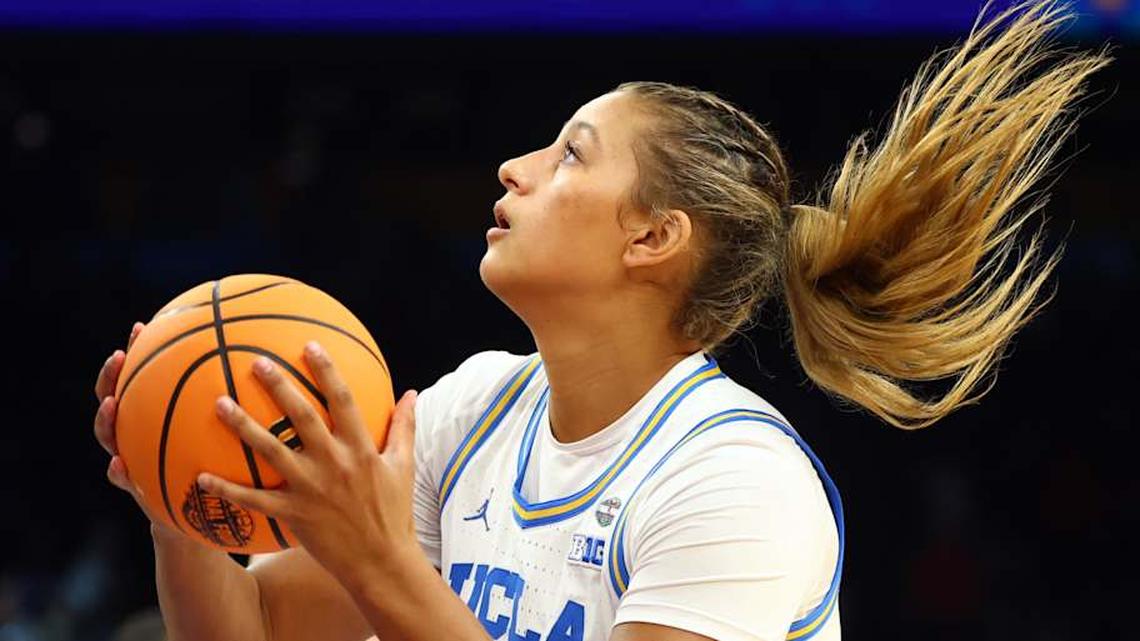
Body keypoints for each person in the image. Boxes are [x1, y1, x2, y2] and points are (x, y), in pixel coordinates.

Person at [90, 3, 1109, 640]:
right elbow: (260, 627)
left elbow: (374, 581)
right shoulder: (471, 410)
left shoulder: (738, 482)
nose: (516, 168)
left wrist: (377, 560)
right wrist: (174, 495)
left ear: (653, 237)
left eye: (570, 153)